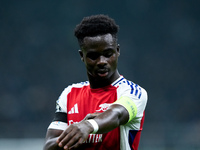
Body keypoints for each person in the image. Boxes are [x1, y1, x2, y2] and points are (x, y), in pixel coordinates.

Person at [43, 14, 148, 150]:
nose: (102, 61)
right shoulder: (69, 94)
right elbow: (48, 145)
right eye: (93, 56)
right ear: (82, 56)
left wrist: (88, 126)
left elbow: (117, 114)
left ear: (117, 51)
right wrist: (74, 137)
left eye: (108, 54)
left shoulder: (134, 92)